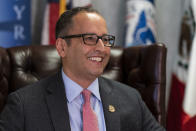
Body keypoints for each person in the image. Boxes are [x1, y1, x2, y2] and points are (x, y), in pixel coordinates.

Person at [0, 7, 165, 131]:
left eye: (105, 39)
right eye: (90, 39)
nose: (102, 48)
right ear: (62, 47)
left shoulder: (130, 99)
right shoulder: (24, 105)